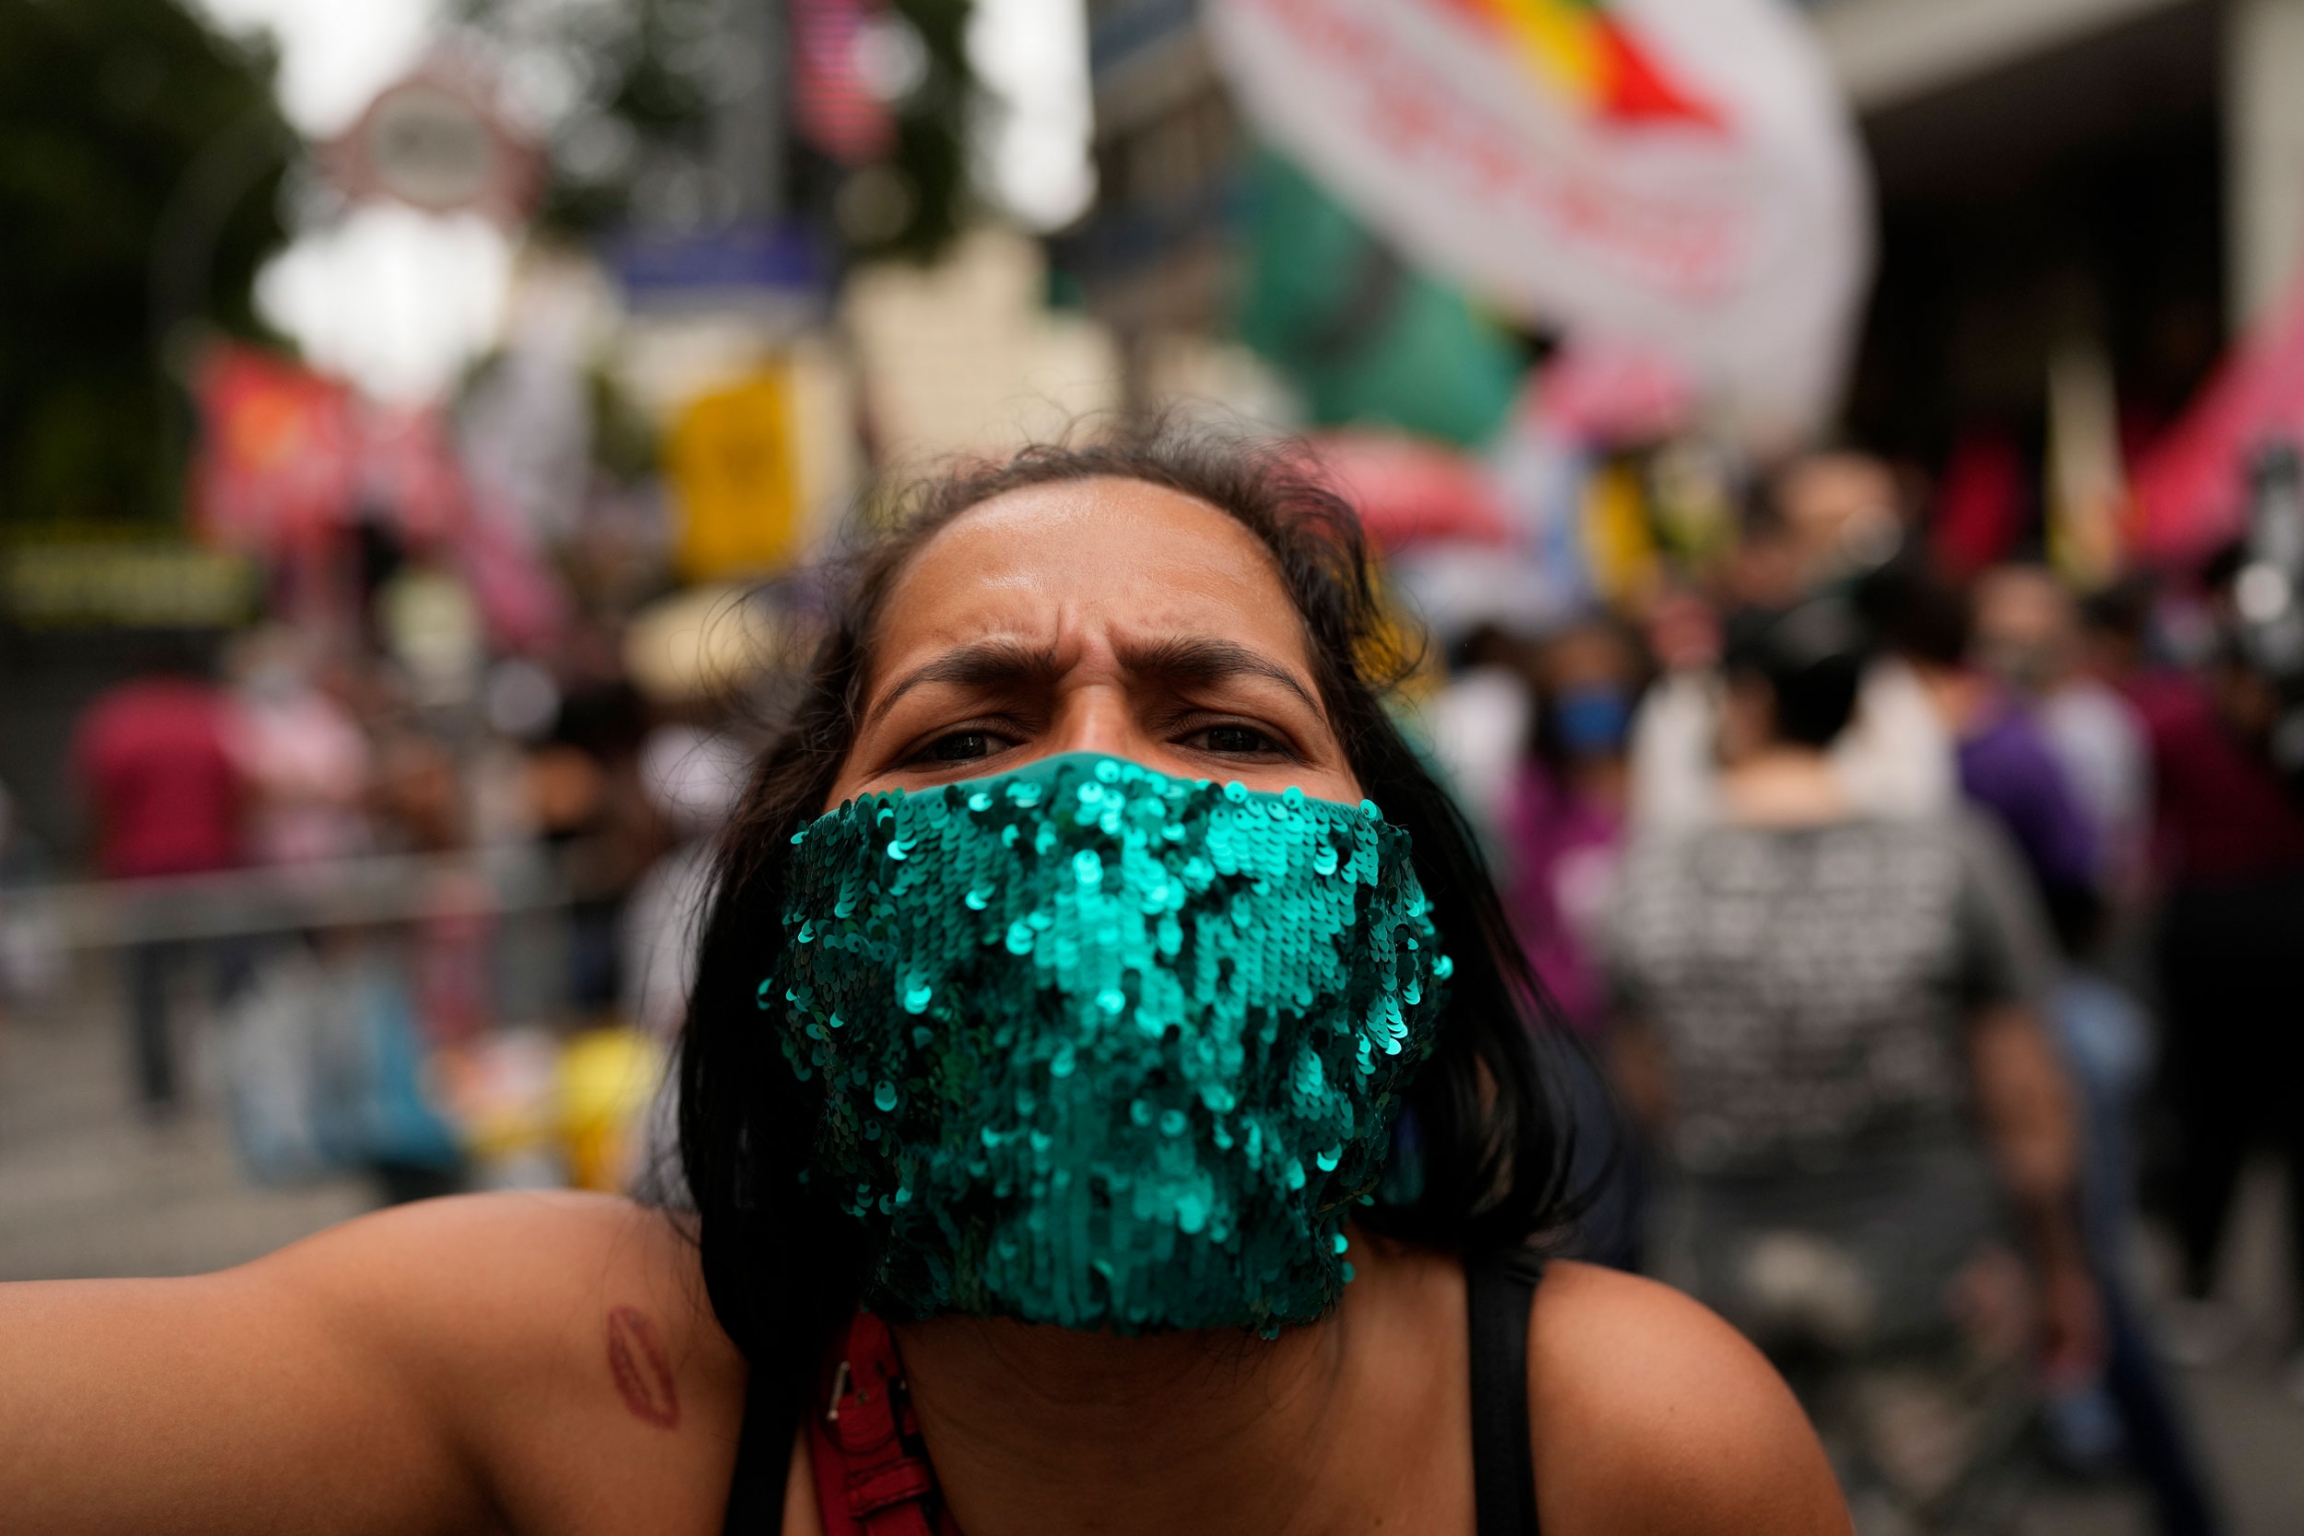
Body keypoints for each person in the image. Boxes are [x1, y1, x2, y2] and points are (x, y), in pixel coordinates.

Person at [0, 435, 1845, 1534]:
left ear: (1398, 913)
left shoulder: (1630, 1450)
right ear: (798, 925)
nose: (1096, 795)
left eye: (1223, 723)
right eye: (968, 735)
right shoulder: (579, 1384)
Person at [1606, 598, 2097, 1534]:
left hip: (1721, 1273)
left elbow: (1649, 1092)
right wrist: (2063, 1266)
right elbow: (2027, 1099)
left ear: (1743, 707)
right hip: (1933, 1264)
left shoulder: (1646, 875)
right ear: (1861, 715)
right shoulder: (1953, 859)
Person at [70, 638, 251, 1109]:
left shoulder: (115, 718)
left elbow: (97, 801)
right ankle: (232, 1083)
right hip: (213, 867)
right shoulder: (210, 712)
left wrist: (100, 864)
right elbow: (240, 788)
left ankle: (159, 1098)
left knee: (148, 995)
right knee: (227, 987)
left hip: (140, 874)